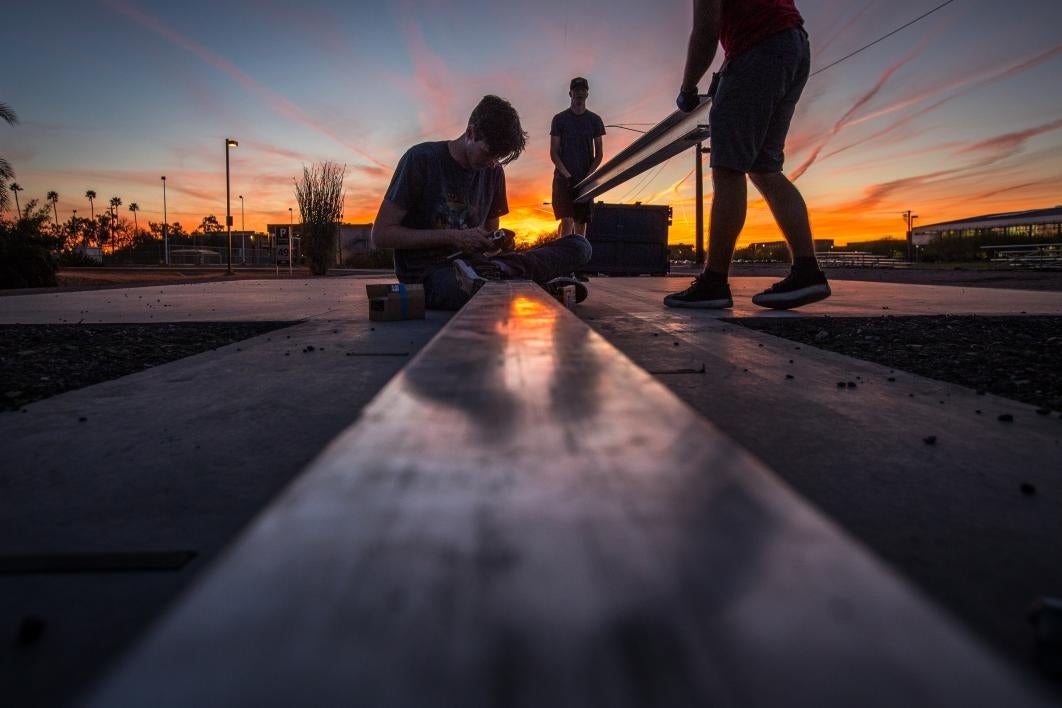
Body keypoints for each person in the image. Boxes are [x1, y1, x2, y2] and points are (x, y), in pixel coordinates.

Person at [664, 0, 830, 310]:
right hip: (793, 45)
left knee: (729, 168)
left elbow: (706, 29)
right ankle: (808, 272)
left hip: (758, 48)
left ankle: (713, 282)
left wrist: (687, 88)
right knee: (765, 168)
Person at [372, 95, 592, 310]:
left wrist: (498, 243)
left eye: (499, 158)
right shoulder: (421, 159)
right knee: (466, 288)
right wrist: (453, 237)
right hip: (430, 273)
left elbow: (489, 240)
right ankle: (533, 288)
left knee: (580, 246)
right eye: (489, 154)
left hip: (484, 267)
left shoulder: (495, 172)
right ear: (471, 133)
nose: (492, 164)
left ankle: (513, 286)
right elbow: (382, 235)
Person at [550, 77, 606, 237]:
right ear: (570, 93)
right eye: (576, 90)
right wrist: (567, 176)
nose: (579, 93)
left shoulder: (595, 120)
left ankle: (579, 258)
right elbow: (553, 152)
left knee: (581, 223)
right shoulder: (559, 119)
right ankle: (563, 258)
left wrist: (589, 176)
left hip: (585, 181)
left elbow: (599, 154)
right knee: (566, 221)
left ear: (587, 93)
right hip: (563, 180)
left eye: (583, 90)